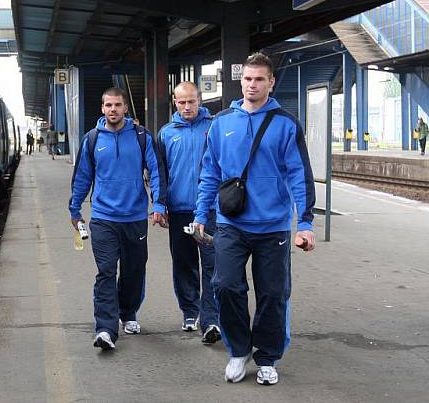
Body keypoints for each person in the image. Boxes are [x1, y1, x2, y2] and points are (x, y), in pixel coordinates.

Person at [192, 53, 316, 386]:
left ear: (271, 82)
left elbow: (299, 175)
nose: (252, 85)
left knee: (273, 294)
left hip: (273, 227)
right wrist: (201, 213)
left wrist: (304, 224)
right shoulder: (221, 123)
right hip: (231, 223)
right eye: (247, 78)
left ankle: (267, 356)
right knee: (225, 284)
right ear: (241, 81)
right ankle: (238, 349)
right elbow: (210, 173)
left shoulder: (286, 124)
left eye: (259, 79)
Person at [69, 87, 166, 351]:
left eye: (118, 105)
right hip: (103, 218)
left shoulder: (141, 137)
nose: (113, 110)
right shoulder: (92, 140)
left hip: (135, 217)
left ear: (126, 108)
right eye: (108, 105)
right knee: (106, 271)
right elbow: (82, 178)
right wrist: (74, 210)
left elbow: (156, 171)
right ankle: (105, 329)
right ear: (102, 108)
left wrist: (158, 203)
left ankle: (129, 312)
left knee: (134, 270)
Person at [157, 81, 220, 344]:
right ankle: (190, 311)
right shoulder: (166, 133)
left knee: (213, 265)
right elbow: (161, 174)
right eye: (182, 102)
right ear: (175, 102)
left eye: (191, 101)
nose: (187, 106)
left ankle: (211, 319)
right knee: (184, 264)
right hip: (180, 211)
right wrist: (160, 205)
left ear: (200, 100)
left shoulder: (214, 128)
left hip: (211, 212)